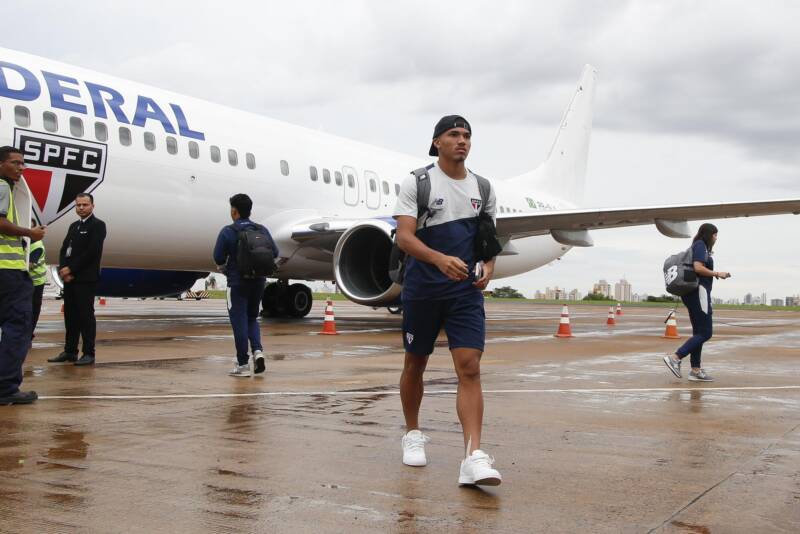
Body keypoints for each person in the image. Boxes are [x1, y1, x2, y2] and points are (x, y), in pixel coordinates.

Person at [393, 115, 502, 486]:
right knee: (415, 363)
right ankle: (412, 432)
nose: (462, 141)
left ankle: (472, 456)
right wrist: (439, 259)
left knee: (469, 367)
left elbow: (488, 242)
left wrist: (488, 266)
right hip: (423, 289)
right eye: (454, 135)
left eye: (468, 135)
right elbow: (404, 238)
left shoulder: (483, 189)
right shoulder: (418, 182)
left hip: (464, 293)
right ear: (437, 142)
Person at [213, 193, 278, 377]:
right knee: (252, 318)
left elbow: (218, 257)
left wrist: (225, 268)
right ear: (249, 211)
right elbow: (275, 252)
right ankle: (258, 351)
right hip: (258, 282)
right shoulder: (262, 230)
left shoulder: (228, 231)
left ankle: (242, 364)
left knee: (238, 321)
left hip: (237, 283)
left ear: (234, 211)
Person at [0, 146, 45, 405]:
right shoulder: (3, 187)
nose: (21, 168)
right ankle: (6, 388)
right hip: (8, 274)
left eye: (22, 163)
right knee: (18, 329)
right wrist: (30, 234)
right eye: (15, 163)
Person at [663, 223, 731, 382]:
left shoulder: (698, 246)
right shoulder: (700, 245)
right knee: (706, 332)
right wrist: (717, 273)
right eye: (715, 234)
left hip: (692, 294)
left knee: (698, 333)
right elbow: (698, 268)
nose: (716, 238)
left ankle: (695, 370)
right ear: (709, 234)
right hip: (699, 293)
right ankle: (675, 357)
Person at [48, 193, 107, 366]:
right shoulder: (74, 226)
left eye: (85, 205)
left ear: (92, 206)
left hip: (85, 279)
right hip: (70, 279)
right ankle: (70, 351)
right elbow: (64, 248)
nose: (81, 208)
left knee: (85, 316)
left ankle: (89, 353)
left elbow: (92, 251)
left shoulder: (98, 225)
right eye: (78, 205)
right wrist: (62, 269)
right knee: (70, 316)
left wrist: (71, 269)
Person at [29, 217, 47, 337]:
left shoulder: (37, 245)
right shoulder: (26, 242)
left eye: (31, 227)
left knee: (33, 309)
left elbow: (29, 265)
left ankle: (29, 333)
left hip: (36, 283)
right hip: (28, 281)